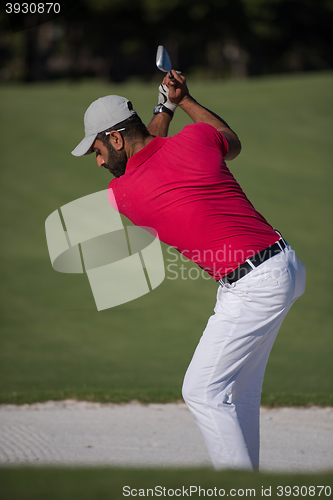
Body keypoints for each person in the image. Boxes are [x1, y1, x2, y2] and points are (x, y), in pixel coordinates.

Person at [71, 71, 306, 470]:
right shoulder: (196, 140)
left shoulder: (123, 195)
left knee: (202, 391)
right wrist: (182, 101)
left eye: (97, 149)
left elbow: (148, 153)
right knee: (239, 392)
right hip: (283, 265)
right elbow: (228, 140)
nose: (97, 162)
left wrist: (163, 108)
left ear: (114, 138)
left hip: (254, 286)